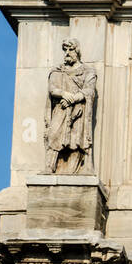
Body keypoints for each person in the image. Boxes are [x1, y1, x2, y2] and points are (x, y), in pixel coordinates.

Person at [46, 38, 96, 174]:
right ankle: (49, 167)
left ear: (77, 51)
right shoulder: (57, 70)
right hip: (60, 109)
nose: (67, 53)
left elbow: (89, 90)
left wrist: (72, 99)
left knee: (76, 140)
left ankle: (75, 169)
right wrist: (63, 94)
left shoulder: (88, 71)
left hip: (78, 110)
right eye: (65, 50)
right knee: (53, 134)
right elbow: (52, 88)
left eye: (71, 49)